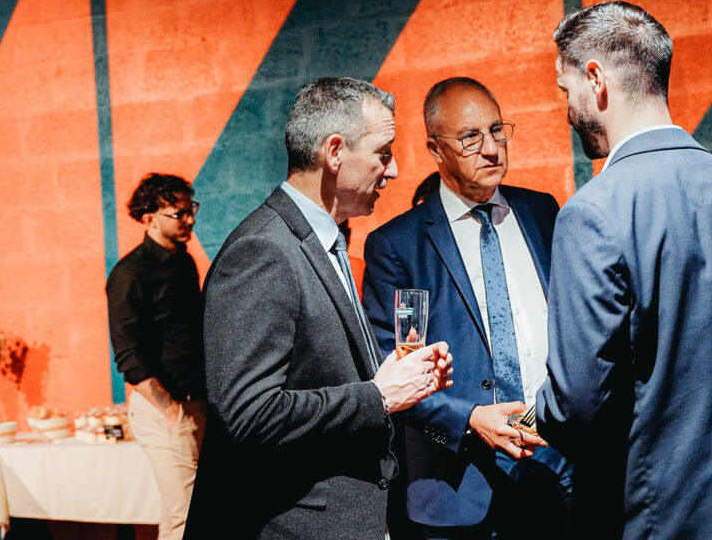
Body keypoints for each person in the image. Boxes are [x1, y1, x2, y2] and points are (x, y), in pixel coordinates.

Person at [536, 0, 712, 540]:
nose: (567, 108)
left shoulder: (593, 212)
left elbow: (578, 404)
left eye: (564, 89)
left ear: (595, 79)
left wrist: (536, 413)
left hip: (660, 517)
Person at [183, 76, 453, 540]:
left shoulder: (321, 239)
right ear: (334, 152)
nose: (393, 170)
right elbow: (249, 413)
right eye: (383, 153)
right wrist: (379, 396)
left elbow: (319, 374)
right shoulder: (263, 250)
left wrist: (396, 376)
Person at [363, 77, 570, 539]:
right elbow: (388, 366)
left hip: (557, 470)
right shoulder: (398, 245)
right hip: (458, 485)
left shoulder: (542, 213)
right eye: (471, 137)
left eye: (497, 130)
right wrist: (470, 419)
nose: (492, 149)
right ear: (436, 150)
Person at [106, 173, 206, 540]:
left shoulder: (184, 262)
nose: (189, 219)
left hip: (197, 403)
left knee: (185, 515)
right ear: (149, 218)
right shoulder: (129, 274)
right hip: (164, 409)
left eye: (191, 209)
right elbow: (129, 356)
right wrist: (171, 411)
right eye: (178, 214)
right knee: (187, 519)